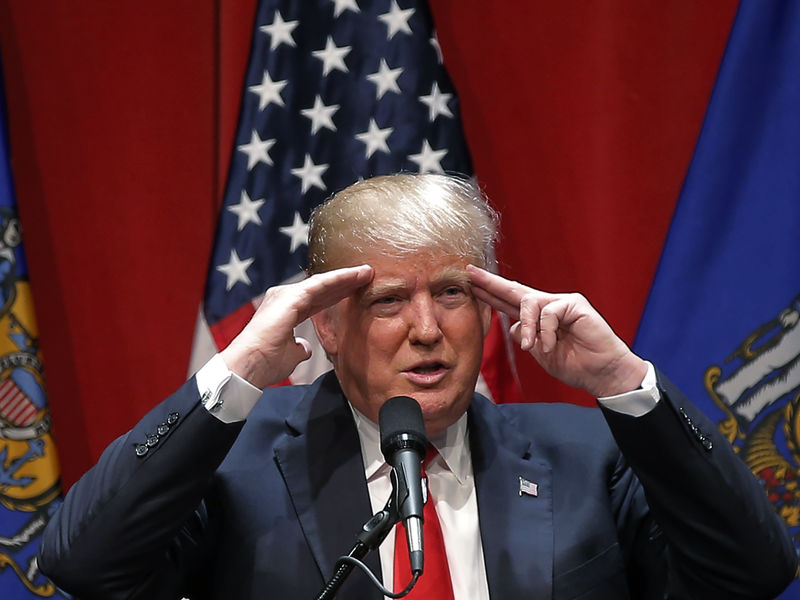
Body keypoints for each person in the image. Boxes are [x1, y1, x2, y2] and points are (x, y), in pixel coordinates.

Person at [39, 173, 796, 599]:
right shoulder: (237, 467)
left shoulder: (591, 454)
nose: (427, 329)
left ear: (490, 313)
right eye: (388, 301)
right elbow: (87, 563)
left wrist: (626, 385)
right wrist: (234, 376)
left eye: (452, 294)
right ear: (327, 326)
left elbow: (752, 573)